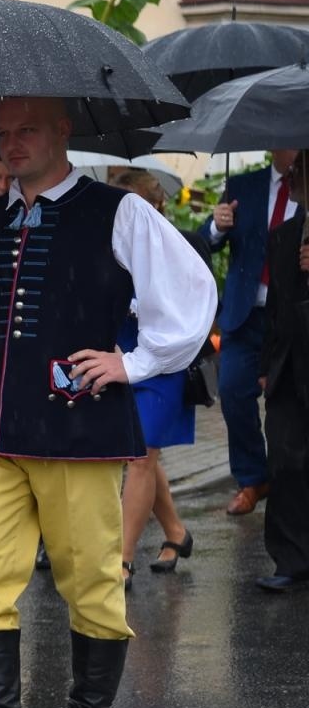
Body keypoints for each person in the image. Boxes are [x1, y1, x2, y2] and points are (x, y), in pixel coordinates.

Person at [0, 98, 214, 708]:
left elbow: (189, 295)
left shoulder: (119, 211)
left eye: (28, 130)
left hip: (79, 424)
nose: (13, 143)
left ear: (62, 132)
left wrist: (132, 362)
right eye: (4, 134)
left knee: (88, 574)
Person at [113, 169, 205, 582]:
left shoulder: (181, 249)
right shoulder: (112, 249)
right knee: (143, 456)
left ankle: (122, 560)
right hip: (121, 359)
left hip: (165, 364)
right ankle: (175, 531)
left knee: (140, 457)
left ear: (154, 208)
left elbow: (195, 310)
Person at [206, 150, 301, 516]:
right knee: (231, 392)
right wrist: (218, 225)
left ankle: (290, 482)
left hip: (290, 317)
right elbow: (207, 240)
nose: (289, 149)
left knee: (288, 405)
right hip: (245, 316)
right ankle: (252, 478)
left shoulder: (306, 187)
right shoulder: (243, 186)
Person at [256, 153, 309, 592]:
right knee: (286, 460)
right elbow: (275, 309)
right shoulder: (285, 236)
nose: (290, 178)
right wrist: (264, 365)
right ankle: (290, 558)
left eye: (299, 171)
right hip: (289, 366)